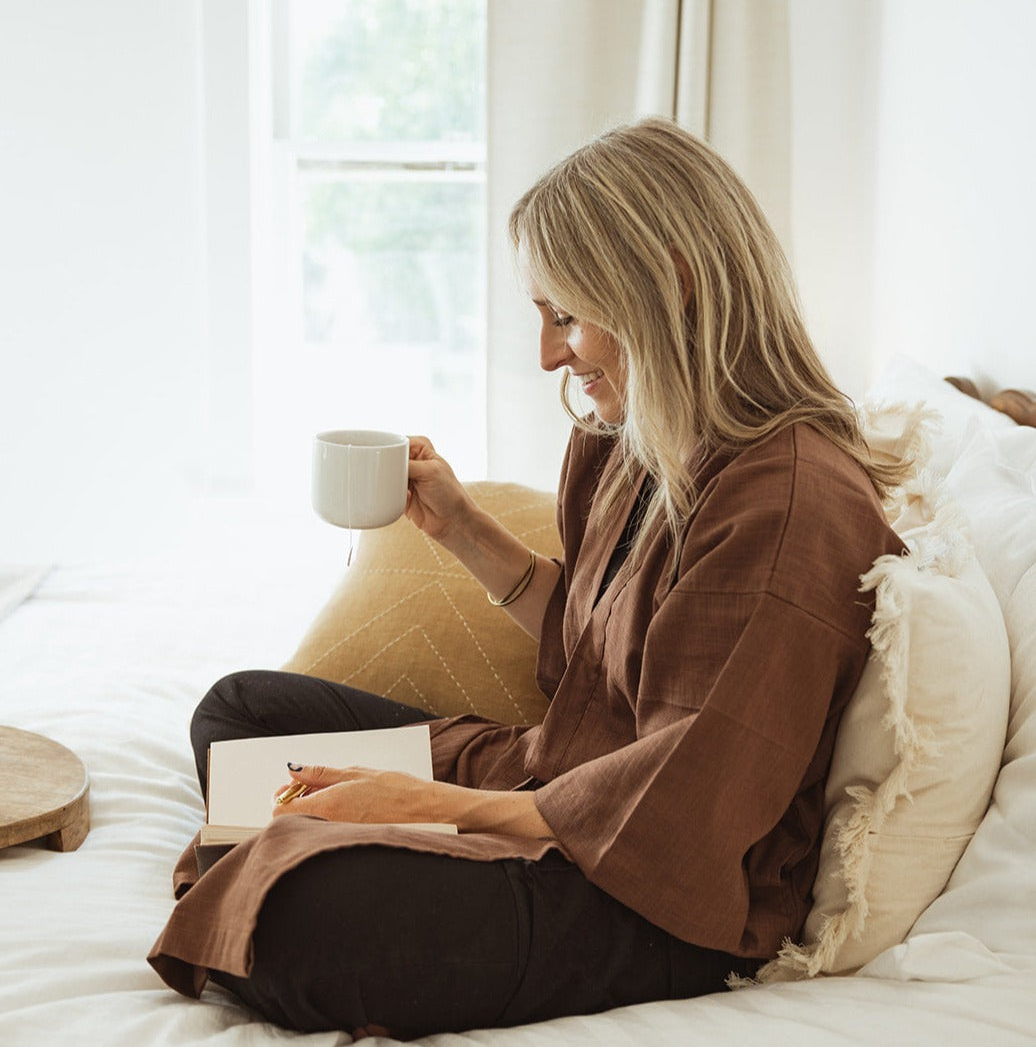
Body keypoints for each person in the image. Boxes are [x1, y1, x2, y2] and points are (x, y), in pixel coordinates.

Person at [149, 118, 905, 1038]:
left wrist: (425, 807)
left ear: (668, 283)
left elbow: (682, 807)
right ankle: (311, 839)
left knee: (302, 919)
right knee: (240, 714)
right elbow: (595, 650)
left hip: (645, 894)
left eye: (566, 316)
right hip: (554, 777)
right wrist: (460, 527)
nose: (550, 354)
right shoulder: (637, 439)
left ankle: (314, 855)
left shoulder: (788, 508)